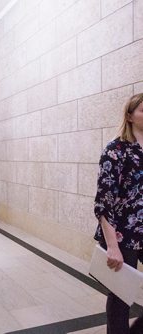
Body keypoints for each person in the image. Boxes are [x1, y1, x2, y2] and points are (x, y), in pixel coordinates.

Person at [93, 93, 143, 334]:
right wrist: (112, 246)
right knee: (121, 298)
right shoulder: (115, 150)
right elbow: (104, 201)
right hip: (123, 234)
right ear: (130, 116)